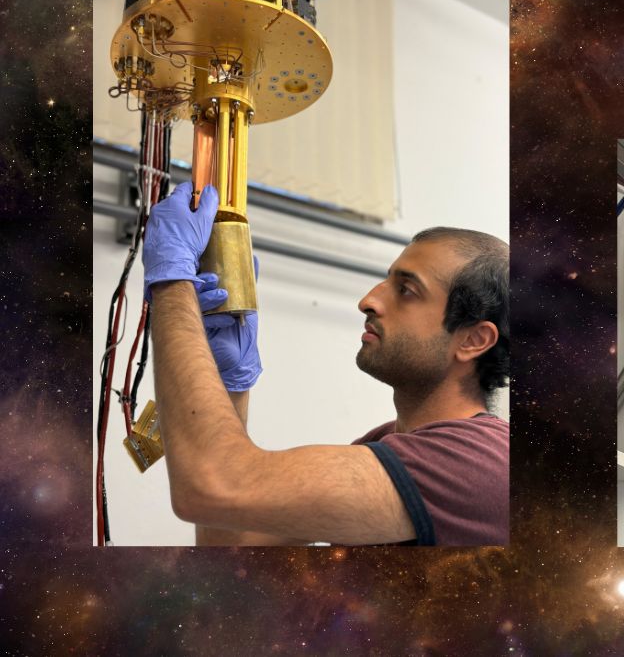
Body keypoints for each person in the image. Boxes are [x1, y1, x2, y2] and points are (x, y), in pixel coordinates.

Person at [142, 182, 509, 546]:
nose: (368, 301)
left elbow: (214, 488)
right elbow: (228, 538)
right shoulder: (383, 444)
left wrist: (172, 280)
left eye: (407, 291)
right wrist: (230, 382)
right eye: (386, 281)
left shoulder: (481, 462)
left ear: (473, 340)